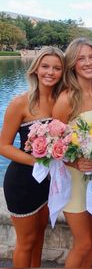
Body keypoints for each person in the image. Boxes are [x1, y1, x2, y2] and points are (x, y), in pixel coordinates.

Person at [0, 46, 65, 268]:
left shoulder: (62, 101)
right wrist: (38, 162)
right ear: (36, 69)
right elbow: (3, 146)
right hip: (23, 182)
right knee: (25, 242)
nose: (50, 72)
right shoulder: (21, 102)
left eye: (57, 68)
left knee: (39, 237)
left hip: (48, 183)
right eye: (45, 66)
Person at [52, 38, 92, 268]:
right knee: (83, 243)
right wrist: (76, 164)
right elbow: (53, 148)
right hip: (74, 182)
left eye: (91, 57)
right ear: (72, 64)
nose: (87, 62)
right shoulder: (66, 99)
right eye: (81, 58)